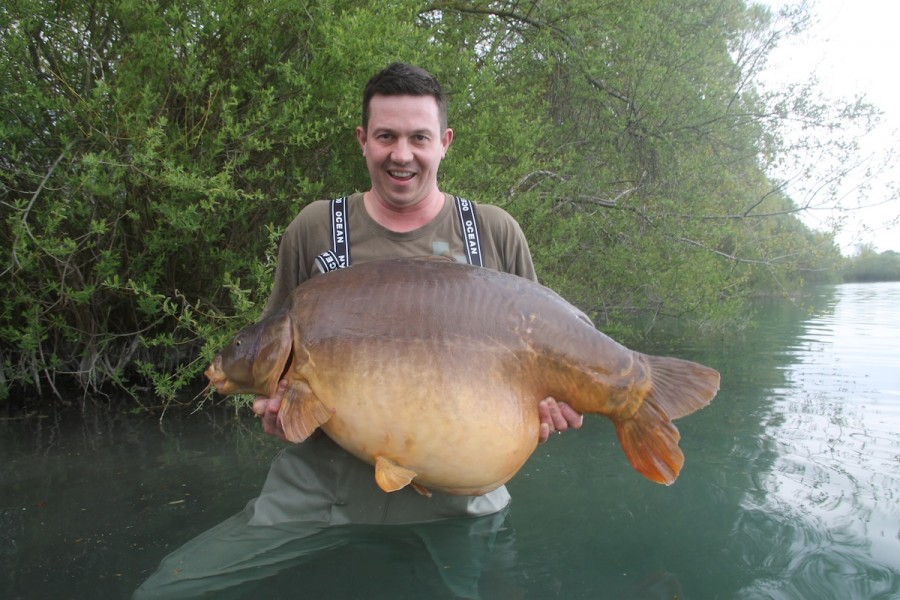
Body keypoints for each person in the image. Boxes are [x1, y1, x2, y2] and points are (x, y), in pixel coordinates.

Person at [135, 62, 583, 599]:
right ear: (362, 140)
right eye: (386, 136)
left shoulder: (493, 232)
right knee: (163, 593)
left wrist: (556, 405)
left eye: (418, 137)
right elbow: (275, 354)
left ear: (444, 142)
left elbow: (547, 359)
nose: (402, 154)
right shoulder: (315, 230)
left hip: (459, 500)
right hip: (321, 490)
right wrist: (281, 413)